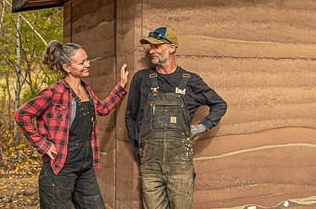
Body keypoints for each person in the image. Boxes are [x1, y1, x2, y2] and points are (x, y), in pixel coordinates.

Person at [14, 40, 129, 209]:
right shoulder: (54, 92)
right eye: (82, 63)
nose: (88, 64)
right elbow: (21, 114)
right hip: (60, 167)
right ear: (67, 68)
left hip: (84, 165)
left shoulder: (86, 89)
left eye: (87, 60)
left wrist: (120, 86)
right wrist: (43, 145)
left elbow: (102, 109)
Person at [125, 26, 227, 209]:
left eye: (157, 46)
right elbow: (130, 117)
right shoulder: (142, 78)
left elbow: (220, 104)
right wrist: (140, 148)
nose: (152, 51)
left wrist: (200, 128)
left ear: (171, 48)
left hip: (180, 166)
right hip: (150, 166)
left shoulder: (190, 80)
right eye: (150, 47)